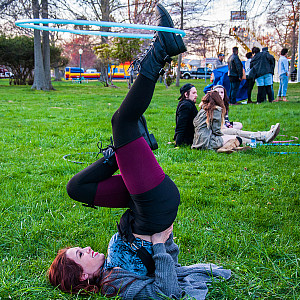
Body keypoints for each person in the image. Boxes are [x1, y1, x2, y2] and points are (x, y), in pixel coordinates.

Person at [48, 4, 231, 298]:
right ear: (84, 276)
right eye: (82, 254)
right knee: (122, 121)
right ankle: (160, 52)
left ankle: (121, 151)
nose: (87, 248)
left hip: (142, 209)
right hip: (154, 212)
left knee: (76, 188)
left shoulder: (108, 263)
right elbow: (164, 293)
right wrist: (159, 245)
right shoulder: (114, 283)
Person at [213, 85, 280, 144]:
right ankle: (262, 137)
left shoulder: (223, 105)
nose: (219, 94)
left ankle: (262, 138)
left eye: (222, 92)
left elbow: (224, 120)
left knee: (237, 128)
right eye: (217, 92)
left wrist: (227, 126)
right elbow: (215, 126)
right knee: (235, 133)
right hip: (217, 132)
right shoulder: (213, 107)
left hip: (220, 129)